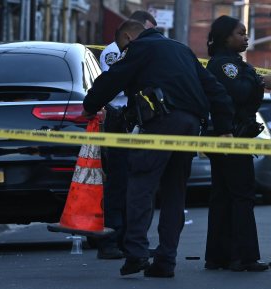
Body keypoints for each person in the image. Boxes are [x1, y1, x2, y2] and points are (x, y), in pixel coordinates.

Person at [82, 19, 234, 278]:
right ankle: (166, 260)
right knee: (175, 192)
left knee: (141, 184)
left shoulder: (140, 49)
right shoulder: (182, 50)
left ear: (129, 38)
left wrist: (89, 106)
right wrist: (224, 126)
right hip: (190, 124)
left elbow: (113, 79)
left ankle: (136, 253)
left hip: (161, 122)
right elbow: (215, 89)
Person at [204, 15, 269, 272]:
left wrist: (253, 78)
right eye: (240, 33)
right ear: (225, 37)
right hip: (232, 137)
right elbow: (240, 93)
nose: (246, 37)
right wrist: (257, 81)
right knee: (241, 195)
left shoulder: (230, 64)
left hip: (229, 136)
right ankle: (244, 257)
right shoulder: (224, 66)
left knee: (223, 195)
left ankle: (218, 256)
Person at [96, 10, 157, 260]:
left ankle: (132, 240)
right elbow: (118, 82)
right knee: (119, 183)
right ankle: (111, 239)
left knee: (140, 184)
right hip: (120, 119)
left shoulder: (145, 49)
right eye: (148, 30)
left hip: (140, 119)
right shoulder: (114, 51)